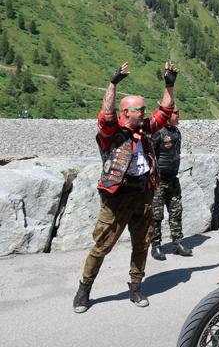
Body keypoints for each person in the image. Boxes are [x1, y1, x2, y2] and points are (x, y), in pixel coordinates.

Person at [72, 60, 178, 314]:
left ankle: (136, 286)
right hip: (117, 197)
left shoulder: (146, 128)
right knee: (102, 245)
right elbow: (106, 114)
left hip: (143, 193)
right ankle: (84, 289)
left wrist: (169, 85)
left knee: (142, 243)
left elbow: (165, 111)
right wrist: (112, 84)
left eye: (143, 109)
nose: (144, 112)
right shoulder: (111, 133)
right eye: (139, 109)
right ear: (126, 113)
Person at [150, 105, 192, 260]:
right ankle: (156, 246)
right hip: (158, 181)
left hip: (173, 179)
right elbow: (151, 154)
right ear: (167, 115)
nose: (178, 115)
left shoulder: (176, 132)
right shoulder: (158, 132)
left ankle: (177, 243)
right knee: (156, 215)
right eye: (175, 113)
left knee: (176, 211)